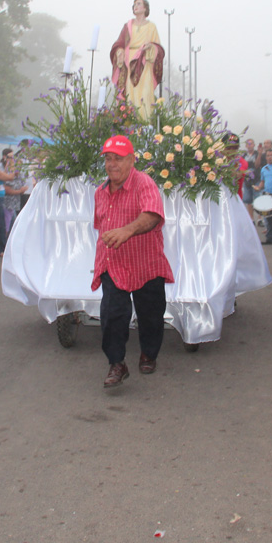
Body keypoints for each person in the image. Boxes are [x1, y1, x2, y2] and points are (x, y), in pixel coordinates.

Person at [92, 135, 174, 388]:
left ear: (131, 160)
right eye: (108, 158)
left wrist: (127, 230)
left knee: (151, 314)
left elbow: (152, 215)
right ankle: (117, 363)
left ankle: (149, 353)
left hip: (145, 262)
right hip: (114, 262)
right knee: (111, 315)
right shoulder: (100, 192)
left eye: (118, 158)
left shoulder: (144, 183)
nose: (112, 164)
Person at [110, 0, 164, 118]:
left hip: (145, 63)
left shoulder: (151, 27)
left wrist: (151, 47)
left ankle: (145, 123)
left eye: (139, 4)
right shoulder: (128, 26)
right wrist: (120, 51)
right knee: (129, 92)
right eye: (134, 4)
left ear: (145, 8)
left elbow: (158, 49)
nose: (135, 6)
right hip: (129, 62)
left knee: (145, 93)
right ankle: (130, 122)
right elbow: (119, 43)